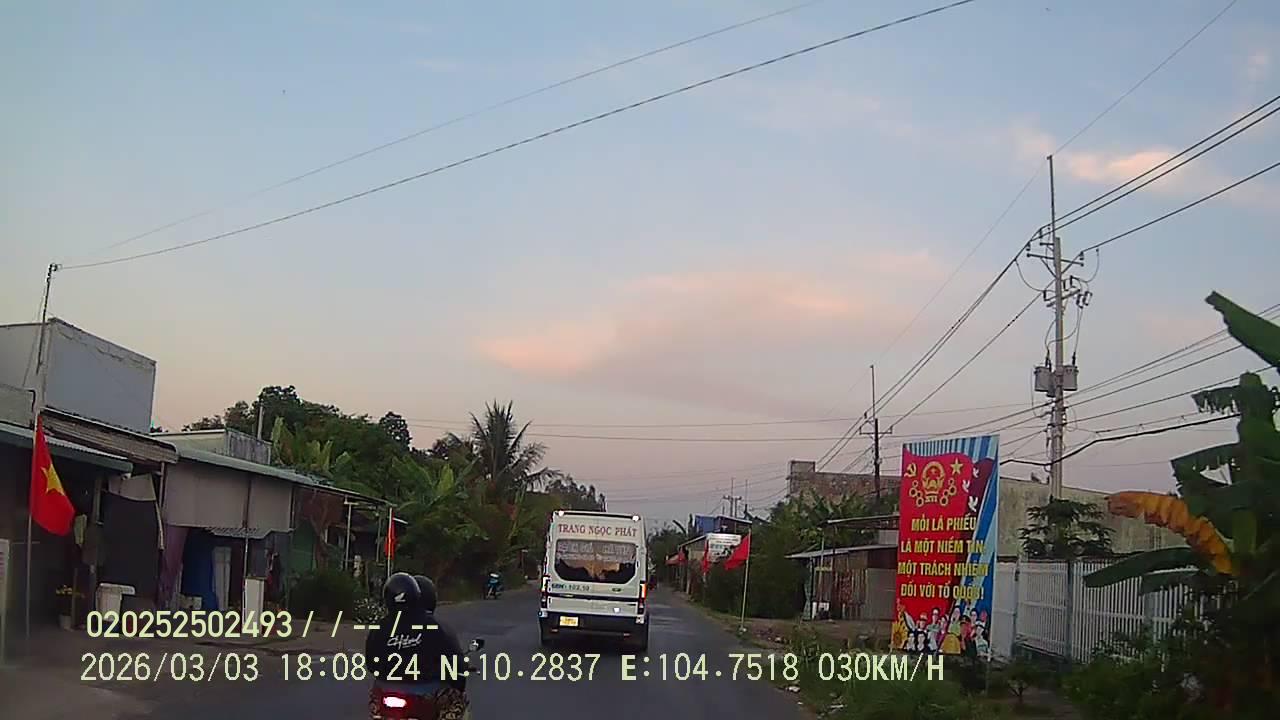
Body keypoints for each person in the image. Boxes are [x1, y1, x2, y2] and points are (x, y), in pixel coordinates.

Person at [364, 573, 467, 720]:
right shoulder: (435, 627)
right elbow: (456, 665)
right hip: (428, 693)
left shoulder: (379, 628)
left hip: (385, 691)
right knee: (457, 702)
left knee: (376, 707)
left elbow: (371, 664)